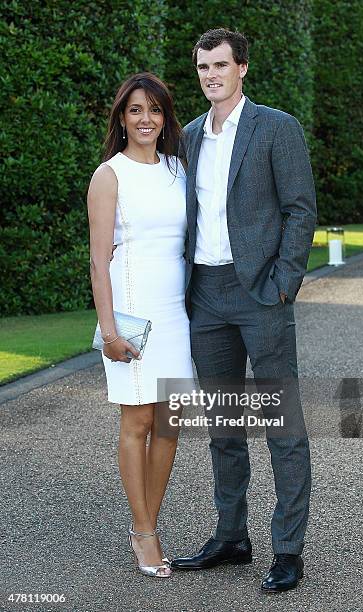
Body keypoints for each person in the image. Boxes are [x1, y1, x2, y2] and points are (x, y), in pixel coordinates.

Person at [171, 29, 317, 593]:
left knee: (283, 426)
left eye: (221, 65)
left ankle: (287, 550)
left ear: (242, 69)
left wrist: (284, 283)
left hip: (261, 293)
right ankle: (232, 537)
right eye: (203, 66)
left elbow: (300, 210)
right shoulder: (186, 137)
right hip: (205, 295)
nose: (210, 74)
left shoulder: (276, 127)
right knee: (224, 427)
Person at [87, 73, 194, 578]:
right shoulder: (109, 176)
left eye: (154, 109)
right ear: (122, 118)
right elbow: (98, 259)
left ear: (165, 117)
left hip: (177, 314)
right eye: (134, 110)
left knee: (170, 423)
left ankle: (145, 523)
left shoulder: (179, 169)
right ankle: (145, 532)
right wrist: (109, 330)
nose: (145, 119)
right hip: (132, 315)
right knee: (138, 421)